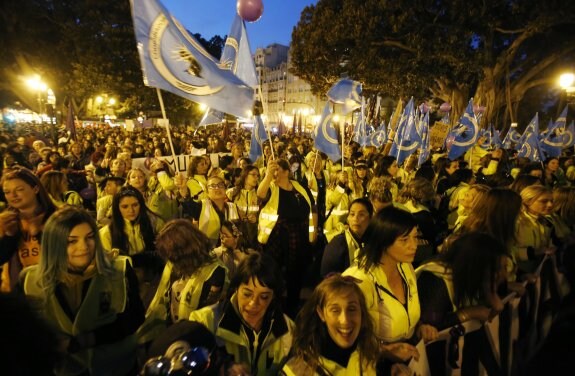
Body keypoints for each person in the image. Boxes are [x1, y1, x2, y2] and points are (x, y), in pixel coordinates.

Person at [21, 206, 145, 376]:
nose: (84, 247)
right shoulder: (29, 280)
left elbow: (135, 317)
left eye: (89, 237)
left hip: (116, 367)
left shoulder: (120, 269)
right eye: (72, 241)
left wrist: (85, 341)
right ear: (54, 244)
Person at [343, 206, 438, 369]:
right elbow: (344, 337)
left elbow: (407, 313)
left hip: (409, 360)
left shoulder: (406, 267)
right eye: (404, 240)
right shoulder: (360, 281)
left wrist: (419, 328)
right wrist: (384, 350)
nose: (413, 245)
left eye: (415, 237)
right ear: (383, 241)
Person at [189, 252, 294, 376]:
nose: (253, 303)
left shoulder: (288, 330)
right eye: (247, 294)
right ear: (236, 288)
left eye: (264, 297)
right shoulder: (205, 321)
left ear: (273, 296)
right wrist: (220, 367)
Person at [416, 233, 507, 375]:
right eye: (499, 269)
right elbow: (431, 329)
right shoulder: (437, 279)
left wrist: (491, 292)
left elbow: (495, 308)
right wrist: (467, 314)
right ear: (478, 266)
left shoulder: (470, 277)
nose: (503, 274)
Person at [140, 219, 228, 344]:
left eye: (173, 255)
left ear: (185, 252)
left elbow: (208, 315)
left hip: (195, 338)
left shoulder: (215, 273)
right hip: (173, 332)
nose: (170, 260)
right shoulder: (175, 265)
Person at [282, 274, 380, 375]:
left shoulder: (370, 357)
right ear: (321, 313)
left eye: (351, 309)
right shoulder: (299, 370)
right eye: (335, 310)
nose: (345, 320)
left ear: (362, 312)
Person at [257, 158, 317, 315]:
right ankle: (273, 306)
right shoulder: (271, 187)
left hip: (299, 236)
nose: (275, 173)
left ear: (286, 172)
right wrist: (268, 175)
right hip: (278, 238)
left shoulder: (299, 187)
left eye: (277, 170)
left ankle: (292, 306)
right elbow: (260, 193)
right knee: (274, 273)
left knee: (296, 273)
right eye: (273, 170)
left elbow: (312, 206)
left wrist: (313, 231)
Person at [0, 167, 57, 292]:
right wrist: (9, 236)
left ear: (36, 189)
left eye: (19, 190)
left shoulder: (56, 217)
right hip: (17, 290)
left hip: (52, 287)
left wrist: (38, 233)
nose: (13, 195)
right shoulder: (6, 221)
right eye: (7, 192)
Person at [321, 198, 373, 277]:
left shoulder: (373, 242)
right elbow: (327, 279)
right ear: (348, 218)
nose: (355, 219)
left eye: (361, 214)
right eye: (352, 214)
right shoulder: (337, 245)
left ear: (370, 219)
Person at [227, 165, 261, 248]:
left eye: (258, 176)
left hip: (254, 233)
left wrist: (257, 219)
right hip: (236, 233)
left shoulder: (259, 194)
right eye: (253, 175)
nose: (256, 178)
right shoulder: (232, 193)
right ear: (245, 175)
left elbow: (265, 214)